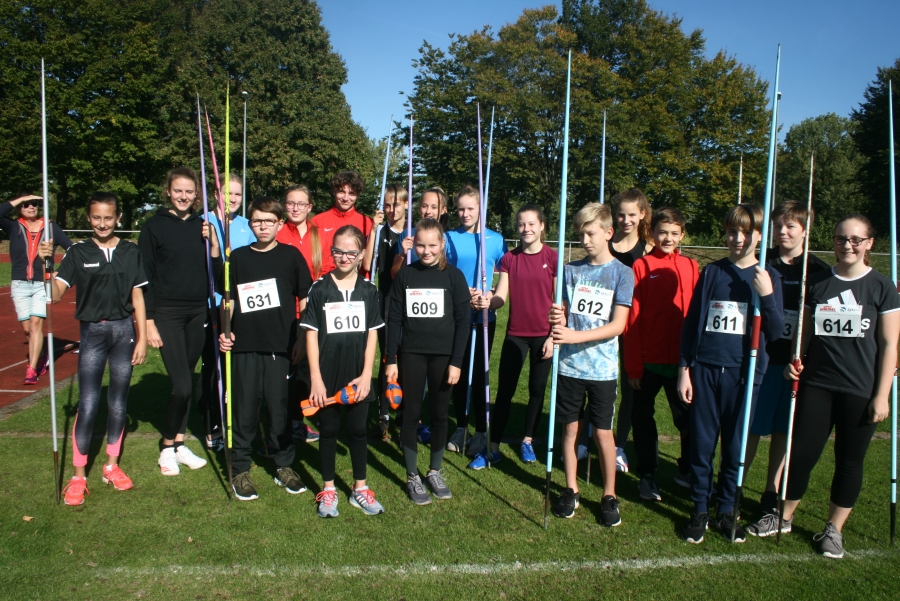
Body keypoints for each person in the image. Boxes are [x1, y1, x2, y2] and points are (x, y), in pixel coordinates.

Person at [780, 215, 900, 558]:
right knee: (802, 453)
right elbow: (803, 335)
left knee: (849, 460)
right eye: (839, 239)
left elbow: (890, 345)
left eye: (855, 240)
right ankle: (783, 516)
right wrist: (795, 360)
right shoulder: (816, 283)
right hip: (818, 384)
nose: (847, 245)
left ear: (869, 243)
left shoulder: (882, 287)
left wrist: (882, 395)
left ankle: (834, 530)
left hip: (860, 389)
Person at [678, 204, 784, 544]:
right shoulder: (713, 273)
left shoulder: (768, 276)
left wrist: (766, 295)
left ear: (759, 236)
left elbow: (778, 330)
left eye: (744, 232)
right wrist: (684, 369)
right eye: (730, 231)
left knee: (735, 447)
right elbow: (693, 322)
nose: (736, 238)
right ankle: (699, 509)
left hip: (744, 373)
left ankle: (727, 509)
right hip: (706, 369)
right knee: (702, 444)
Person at [40, 193, 147, 506]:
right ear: (89, 218)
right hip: (93, 332)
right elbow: (56, 294)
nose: (102, 223)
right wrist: (45, 264)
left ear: (118, 218)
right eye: (97, 218)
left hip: (124, 331)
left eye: (108, 218)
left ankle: (111, 466)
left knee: (118, 402)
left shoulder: (130, 251)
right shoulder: (77, 252)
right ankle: (78, 475)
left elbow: (138, 297)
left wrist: (141, 337)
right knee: (88, 404)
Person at [218, 197, 313, 500]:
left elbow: (305, 299)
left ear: (279, 224)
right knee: (244, 409)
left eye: (268, 221)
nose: (262, 226)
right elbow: (228, 300)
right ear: (250, 223)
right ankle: (241, 468)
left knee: (279, 408)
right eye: (256, 220)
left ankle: (283, 465)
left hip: (281, 346)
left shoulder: (291, 256)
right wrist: (225, 331)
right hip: (244, 345)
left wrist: (301, 338)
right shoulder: (237, 258)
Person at [745, 200, 829, 536]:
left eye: (791, 226)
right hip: (763, 359)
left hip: (793, 365)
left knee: (783, 430)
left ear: (805, 230)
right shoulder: (762, 263)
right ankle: (735, 481)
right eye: (778, 225)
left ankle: (770, 490)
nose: (783, 232)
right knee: (752, 426)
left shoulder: (819, 271)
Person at [549, 203, 633, 526]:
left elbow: (618, 325)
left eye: (590, 233)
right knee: (569, 430)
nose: (584, 239)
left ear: (609, 233)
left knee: (602, 434)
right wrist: (556, 318)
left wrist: (573, 337)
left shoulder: (622, 274)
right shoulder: (570, 271)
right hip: (570, 368)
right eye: (580, 233)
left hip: (602, 370)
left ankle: (609, 494)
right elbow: (564, 313)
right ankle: (571, 489)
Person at [139, 166, 221, 476]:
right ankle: (166, 448)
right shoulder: (153, 228)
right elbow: (143, 277)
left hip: (197, 311)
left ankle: (179, 442)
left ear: (196, 194)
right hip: (166, 314)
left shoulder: (203, 226)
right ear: (168, 192)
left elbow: (215, 270)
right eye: (178, 191)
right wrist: (147, 321)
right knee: (183, 387)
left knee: (188, 378)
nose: (184, 196)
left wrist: (212, 243)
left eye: (189, 191)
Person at [300, 225, 385, 517]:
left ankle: (360, 489)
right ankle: (329, 490)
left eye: (351, 252)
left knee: (359, 430)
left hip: (357, 376)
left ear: (362, 254)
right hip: (327, 375)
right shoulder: (319, 288)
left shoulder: (369, 290)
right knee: (329, 430)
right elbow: (310, 334)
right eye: (338, 251)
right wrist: (316, 379)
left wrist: (366, 374)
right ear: (331, 251)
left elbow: (373, 334)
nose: (344, 257)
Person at [386, 218, 470, 503]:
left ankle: (434, 470)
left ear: (442, 244)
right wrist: (391, 359)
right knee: (411, 414)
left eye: (432, 245)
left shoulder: (454, 277)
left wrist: (457, 361)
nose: (426, 250)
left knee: (439, 414)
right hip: (411, 353)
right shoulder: (406, 275)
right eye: (420, 244)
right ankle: (412, 476)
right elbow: (394, 318)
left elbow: (463, 321)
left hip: (444, 357)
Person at [468, 204, 556, 469]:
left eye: (531, 224)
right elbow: (501, 297)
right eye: (521, 224)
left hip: (544, 336)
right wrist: (487, 301)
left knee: (536, 390)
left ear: (542, 226)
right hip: (516, 334)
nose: (526, 229)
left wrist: (553, 337)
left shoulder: (552, 258)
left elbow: (558, 301)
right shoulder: (509, 259)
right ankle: (492, 447)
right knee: (504, 391)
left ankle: (527, 440)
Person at [625, 208, 698, 501]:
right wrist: (633, 367)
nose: (668, 238)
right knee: (643, 418)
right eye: (663, 232)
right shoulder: (641, 266)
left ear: (682, 234)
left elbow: (696, 317)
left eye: (674, 232)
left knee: (689, 419)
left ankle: (687, 470)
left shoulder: (692, 266)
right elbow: (632, 319)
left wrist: (691, 363)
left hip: (682, 365)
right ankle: (647, 474)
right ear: (652, 233)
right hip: (648, 361)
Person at [444, 185, 507, 457]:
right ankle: (461, 426)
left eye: (470, 208)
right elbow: (441, 273)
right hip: (455, 316)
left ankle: (482, 430)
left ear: (481, 208)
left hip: (483, 316)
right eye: (460, 208)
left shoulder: (495, 239)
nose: (465, 213)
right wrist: (460, 292)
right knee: (456, 370)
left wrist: (490, 296)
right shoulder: (447, 237)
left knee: (480, 373)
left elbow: (505, 276)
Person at [198, 172, 256, 452]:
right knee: (213, 368)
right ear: (216, 194)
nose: (232, 199)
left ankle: (235, 422)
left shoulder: (247, 225)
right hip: (213, 305)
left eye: (237, 194)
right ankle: (212, 425)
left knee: (236, 369)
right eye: (227, 193)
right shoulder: (204, 221)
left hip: (241, 305)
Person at [0, 193, 72, 384]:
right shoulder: (14, 226)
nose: (31, 207)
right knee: (27, 330)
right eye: (26, 205)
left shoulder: (50, 227)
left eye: (34, 204)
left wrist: (58, 272)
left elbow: (71, 249)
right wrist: (19, 199)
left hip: (42, 284)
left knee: (35, 326)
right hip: (20, 284)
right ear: (19, 209)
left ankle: (31, 370)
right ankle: (40, 357)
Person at [608, 188, 653, 473]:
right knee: (600, 386)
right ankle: (591, 437)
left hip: (632, 331)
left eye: (632, 215)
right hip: (602, 327)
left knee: (629, 389)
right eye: (621, 214)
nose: (626, 220)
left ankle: (619, 445)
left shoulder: (648, 250)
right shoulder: (606, 243)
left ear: (643, 215)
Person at [276, 184, 323, 444]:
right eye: (291, 203)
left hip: (311, 314)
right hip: (283, 313)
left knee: (305, 370)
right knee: (283, 371)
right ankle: (280, 422)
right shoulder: (278, 232)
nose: (295, 208)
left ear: (309, 207)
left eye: (301, 204)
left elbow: (326, 270)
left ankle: (297, 422)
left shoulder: (319, 236)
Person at [367, 184, 408, 440]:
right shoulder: (381, 231)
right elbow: (367, 261)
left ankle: (405, 412)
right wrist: (373, 229)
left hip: (409, 306)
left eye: (397, 204)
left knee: (407, 360)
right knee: (387, 358)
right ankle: (383, 414)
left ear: (406, 205)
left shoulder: (414, 234)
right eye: (387, 204)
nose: (392, 209)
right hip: (385, 302)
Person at [310, 171, 373, 277]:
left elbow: (368, 262)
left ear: (358, 195)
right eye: (341, 192)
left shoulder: (367, 223)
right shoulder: (317, 221)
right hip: (325, 282)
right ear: (334, 191)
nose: (346, 198)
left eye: (351, 193)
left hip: (355, 284)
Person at [392, 186, 449, 276]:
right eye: (424, 206)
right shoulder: (408, 234)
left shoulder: (449, 237)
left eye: (434, 207)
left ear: (443, 210)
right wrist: (402, 255)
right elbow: (394, 274)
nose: (428, 211)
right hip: (413, 287)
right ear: (419, 208)